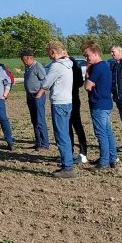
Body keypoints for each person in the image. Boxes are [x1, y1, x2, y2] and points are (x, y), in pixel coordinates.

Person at [35, 41, 76, 178]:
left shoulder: (56, 66)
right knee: (65, 133)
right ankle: (68, 161)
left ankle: (67, 167)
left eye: (49, 53)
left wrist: (39, 93)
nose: (49, 56)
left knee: (61, 134)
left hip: (58, 103)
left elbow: (46, 83)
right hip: (68, 102)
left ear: (53, 52)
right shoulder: (68, 64)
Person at [83, 41, 118, 170]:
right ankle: (112, 157)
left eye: (88, 55)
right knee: (108, 132)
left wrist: (87, 71)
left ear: (96, 53)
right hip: (106, 103)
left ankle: (104, 161)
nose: (86, 58)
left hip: (98, 104)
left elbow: (87, 87)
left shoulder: (97, 68)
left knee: (101, 133)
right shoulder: (105, 65)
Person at [20, 49, 50, 151]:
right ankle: (38, 142)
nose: (22, 61)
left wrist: (39, 93)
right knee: (34, 120)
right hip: (30, 96)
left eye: (23, 59)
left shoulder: (38, 67)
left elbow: (45, 81)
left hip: (38, 95)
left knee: (40, 119)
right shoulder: (27, 67)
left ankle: (45, 143)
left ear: (28, 58)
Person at [69, 57, 89, 164]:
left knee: (76, 126)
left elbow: (80, 83)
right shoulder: (75, 65)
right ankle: (72, 152)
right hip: (73, 98)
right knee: (72, 127)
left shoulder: (72, 65)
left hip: (73, 99)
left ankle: (82, 151)